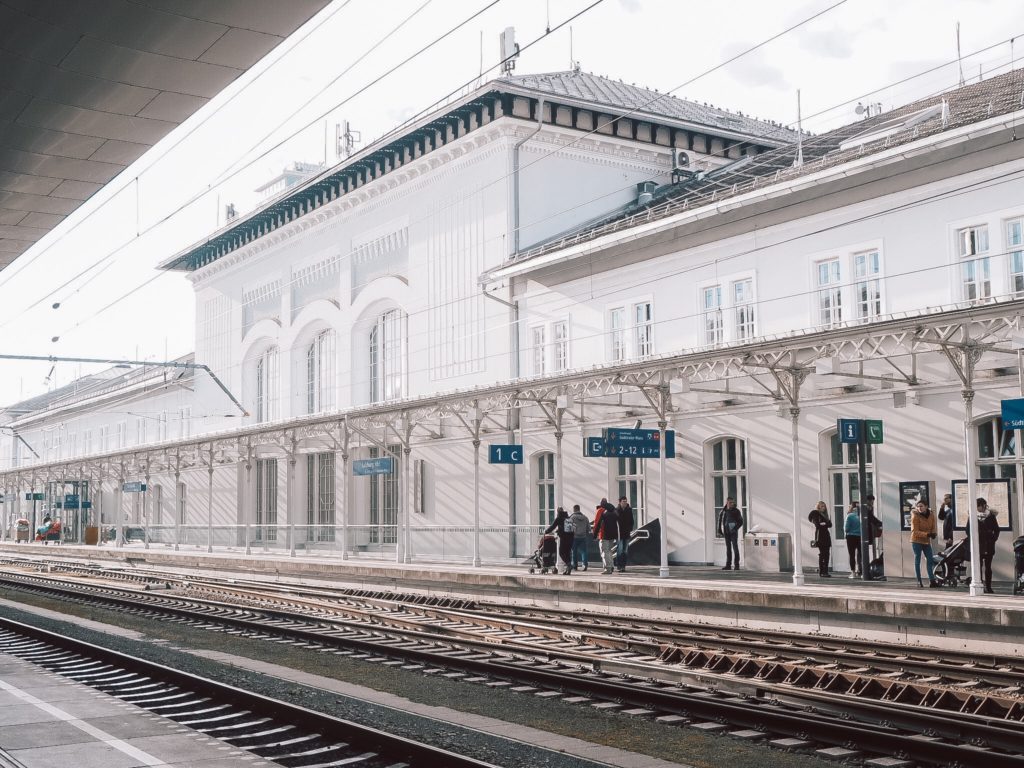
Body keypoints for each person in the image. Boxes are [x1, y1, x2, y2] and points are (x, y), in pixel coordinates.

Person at [973, 497, 1000, 594]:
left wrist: (993, 538)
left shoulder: (991, 516)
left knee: (988, 567)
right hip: (978, 545)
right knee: (978, 566)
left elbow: (997, 529)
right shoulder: (973, 516)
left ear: (983, 505)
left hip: (989, 544)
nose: (977, 508)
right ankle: (979, 585)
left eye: (978, 506)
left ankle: (988, 586)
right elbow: (968, 529)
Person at [909, 499, 938, 588]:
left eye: (921, 506)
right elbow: (914, 531)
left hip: (926, 541)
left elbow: (933, 526)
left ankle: (932, 581)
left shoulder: (931, 515)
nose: (919, 508)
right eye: (918, 506)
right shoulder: (915, 516)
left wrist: (933, 533)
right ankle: (919, 581)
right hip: (916, 540)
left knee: (930, 560)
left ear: (926, 506)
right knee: (917, 560)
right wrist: (927, 534)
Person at [544, 506, 574, 575]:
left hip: (564, 538)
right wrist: (558, 530)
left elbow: (552, 526)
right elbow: (564, 527)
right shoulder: (568, 518)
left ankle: (569, 565)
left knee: (561, 553)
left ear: (557, 512)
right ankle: (568, 570)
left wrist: (546, 531)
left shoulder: (559, 518)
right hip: (571, 538)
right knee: (567, 553)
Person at [717, 496, 744, 570]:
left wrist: (735, 529)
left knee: (735, 548)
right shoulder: (723, 511)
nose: (732, 504)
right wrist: (719, 530)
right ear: (727, 502)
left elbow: (741, 522)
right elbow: (719, 521)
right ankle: (728, 565)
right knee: (728, 549)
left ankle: (737, 565)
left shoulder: (736, 511)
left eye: (733, 502)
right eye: (730, 502)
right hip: (726, 532)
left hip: (733, 532)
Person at [593, 499, 619, 575]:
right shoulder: (614, 512)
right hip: (613, 535)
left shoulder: (601, 511)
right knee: (609, 551)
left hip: (604, 534)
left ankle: (608, 568)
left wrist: (595, 535)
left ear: (601, 504)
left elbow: (597, 523)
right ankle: (611, 565)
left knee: (604, 552)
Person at [809, 501, 833, 577]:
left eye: (824, 506)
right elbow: (817, 525)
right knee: (823, 554)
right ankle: (822, 571)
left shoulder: (825, 515)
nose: (823, 508)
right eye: (822, 506)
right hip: (820, 536)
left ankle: (825, 571)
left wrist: (824, 524)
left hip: (826, 535)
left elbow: (830, 524)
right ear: (818, 507)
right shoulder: (816, 513)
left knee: (827, 554)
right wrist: (824, 524)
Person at [614, 496, 635, 572]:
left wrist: (630, 529)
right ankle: (619, 566)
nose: (625, 503)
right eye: (623, 501)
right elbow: (614, 522)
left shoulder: (629, 510)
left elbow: (632, 521)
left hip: (626, 533)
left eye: (625, 501)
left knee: (625, 551)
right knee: (619, 550)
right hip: (619, 534)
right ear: (620, 502)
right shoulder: (616, 510)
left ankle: (623, 566)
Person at [568, 505, 591, 571]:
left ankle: (575, 565)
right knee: (584, 552)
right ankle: (584, 565)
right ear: (579, 509)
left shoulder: (572, 517)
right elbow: (589, 528)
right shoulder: (585, 517)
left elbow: (569, 528)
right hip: (583, 537)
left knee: (574, 552)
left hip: (574, 537)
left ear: (574, 509)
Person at [844, 501, 862, 578]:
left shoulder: (849, 516)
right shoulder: (861, 515)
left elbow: (846, 529)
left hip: (851, 537)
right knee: (861, 554)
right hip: (860, 536)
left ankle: (853, 572)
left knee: (852, 555)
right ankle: (861, 571)